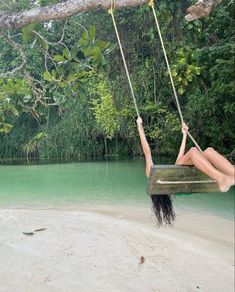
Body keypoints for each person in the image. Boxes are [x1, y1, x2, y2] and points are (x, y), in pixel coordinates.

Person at [136, 116, 235, 225]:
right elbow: (147, 150)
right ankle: (220, 178)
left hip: (188, 173)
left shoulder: (172, 186)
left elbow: (178, 158)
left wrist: (184, 135)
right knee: (198, 151)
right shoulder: (154, 177)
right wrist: (139, 126)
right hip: (191, 170)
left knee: (208, 151)